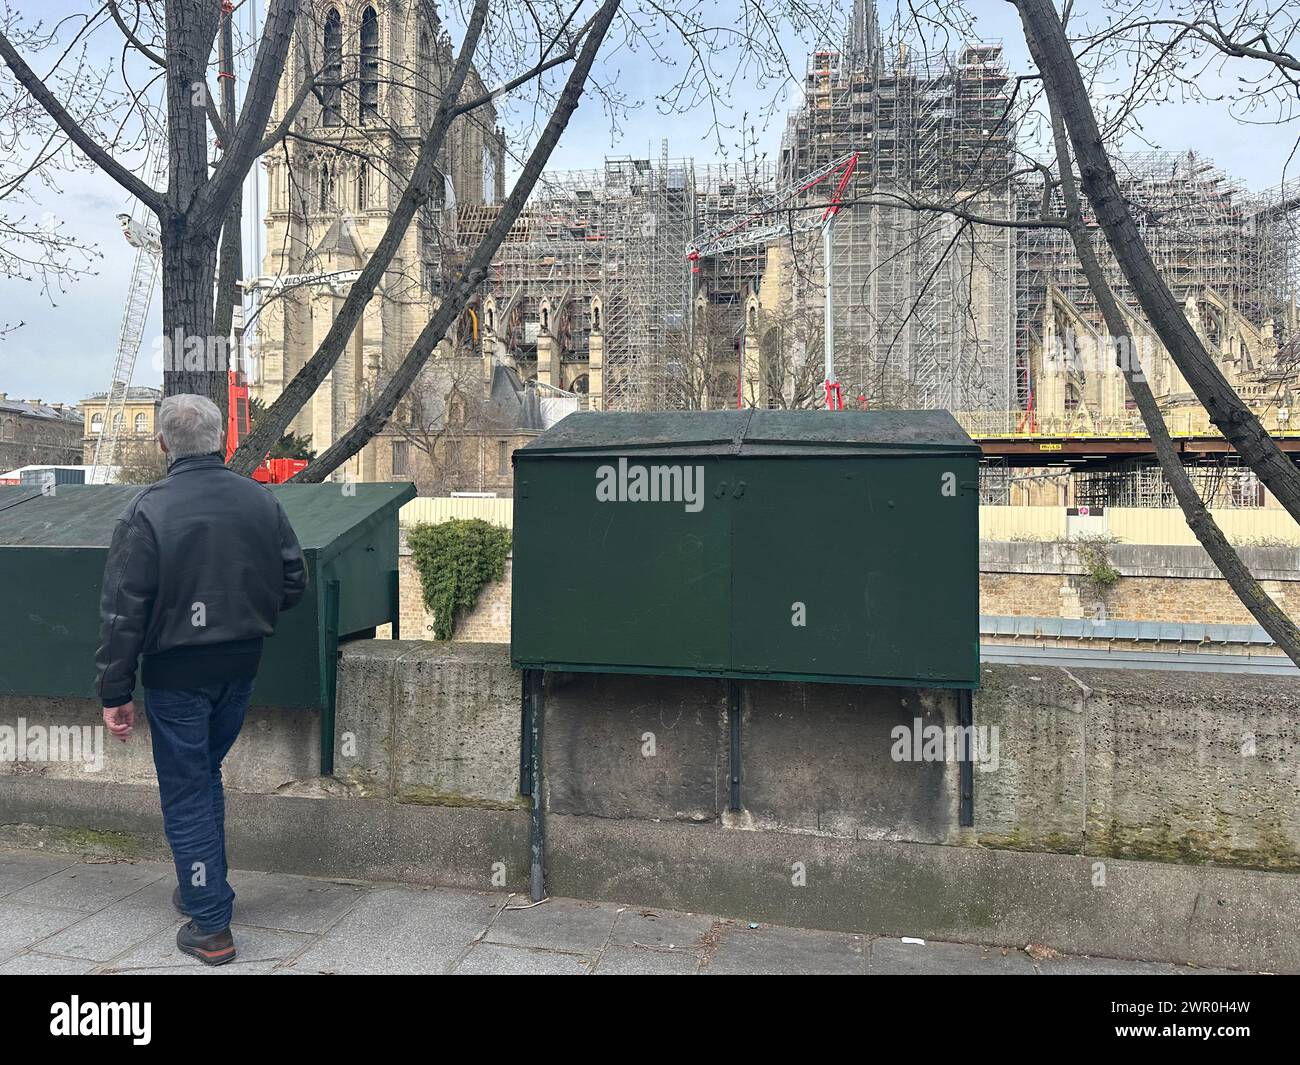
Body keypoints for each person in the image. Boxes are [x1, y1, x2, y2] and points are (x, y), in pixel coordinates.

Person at [94, 393, 308, 965]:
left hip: (177, 676)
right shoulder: (260, 499)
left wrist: (114, 693)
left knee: (187, 787)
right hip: (240, 664)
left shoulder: (147, 511)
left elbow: (123, 613)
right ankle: (203, 885)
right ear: (220, 439)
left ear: (163, 444)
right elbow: (294, 583)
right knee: (201, 774)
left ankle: (211, 925)